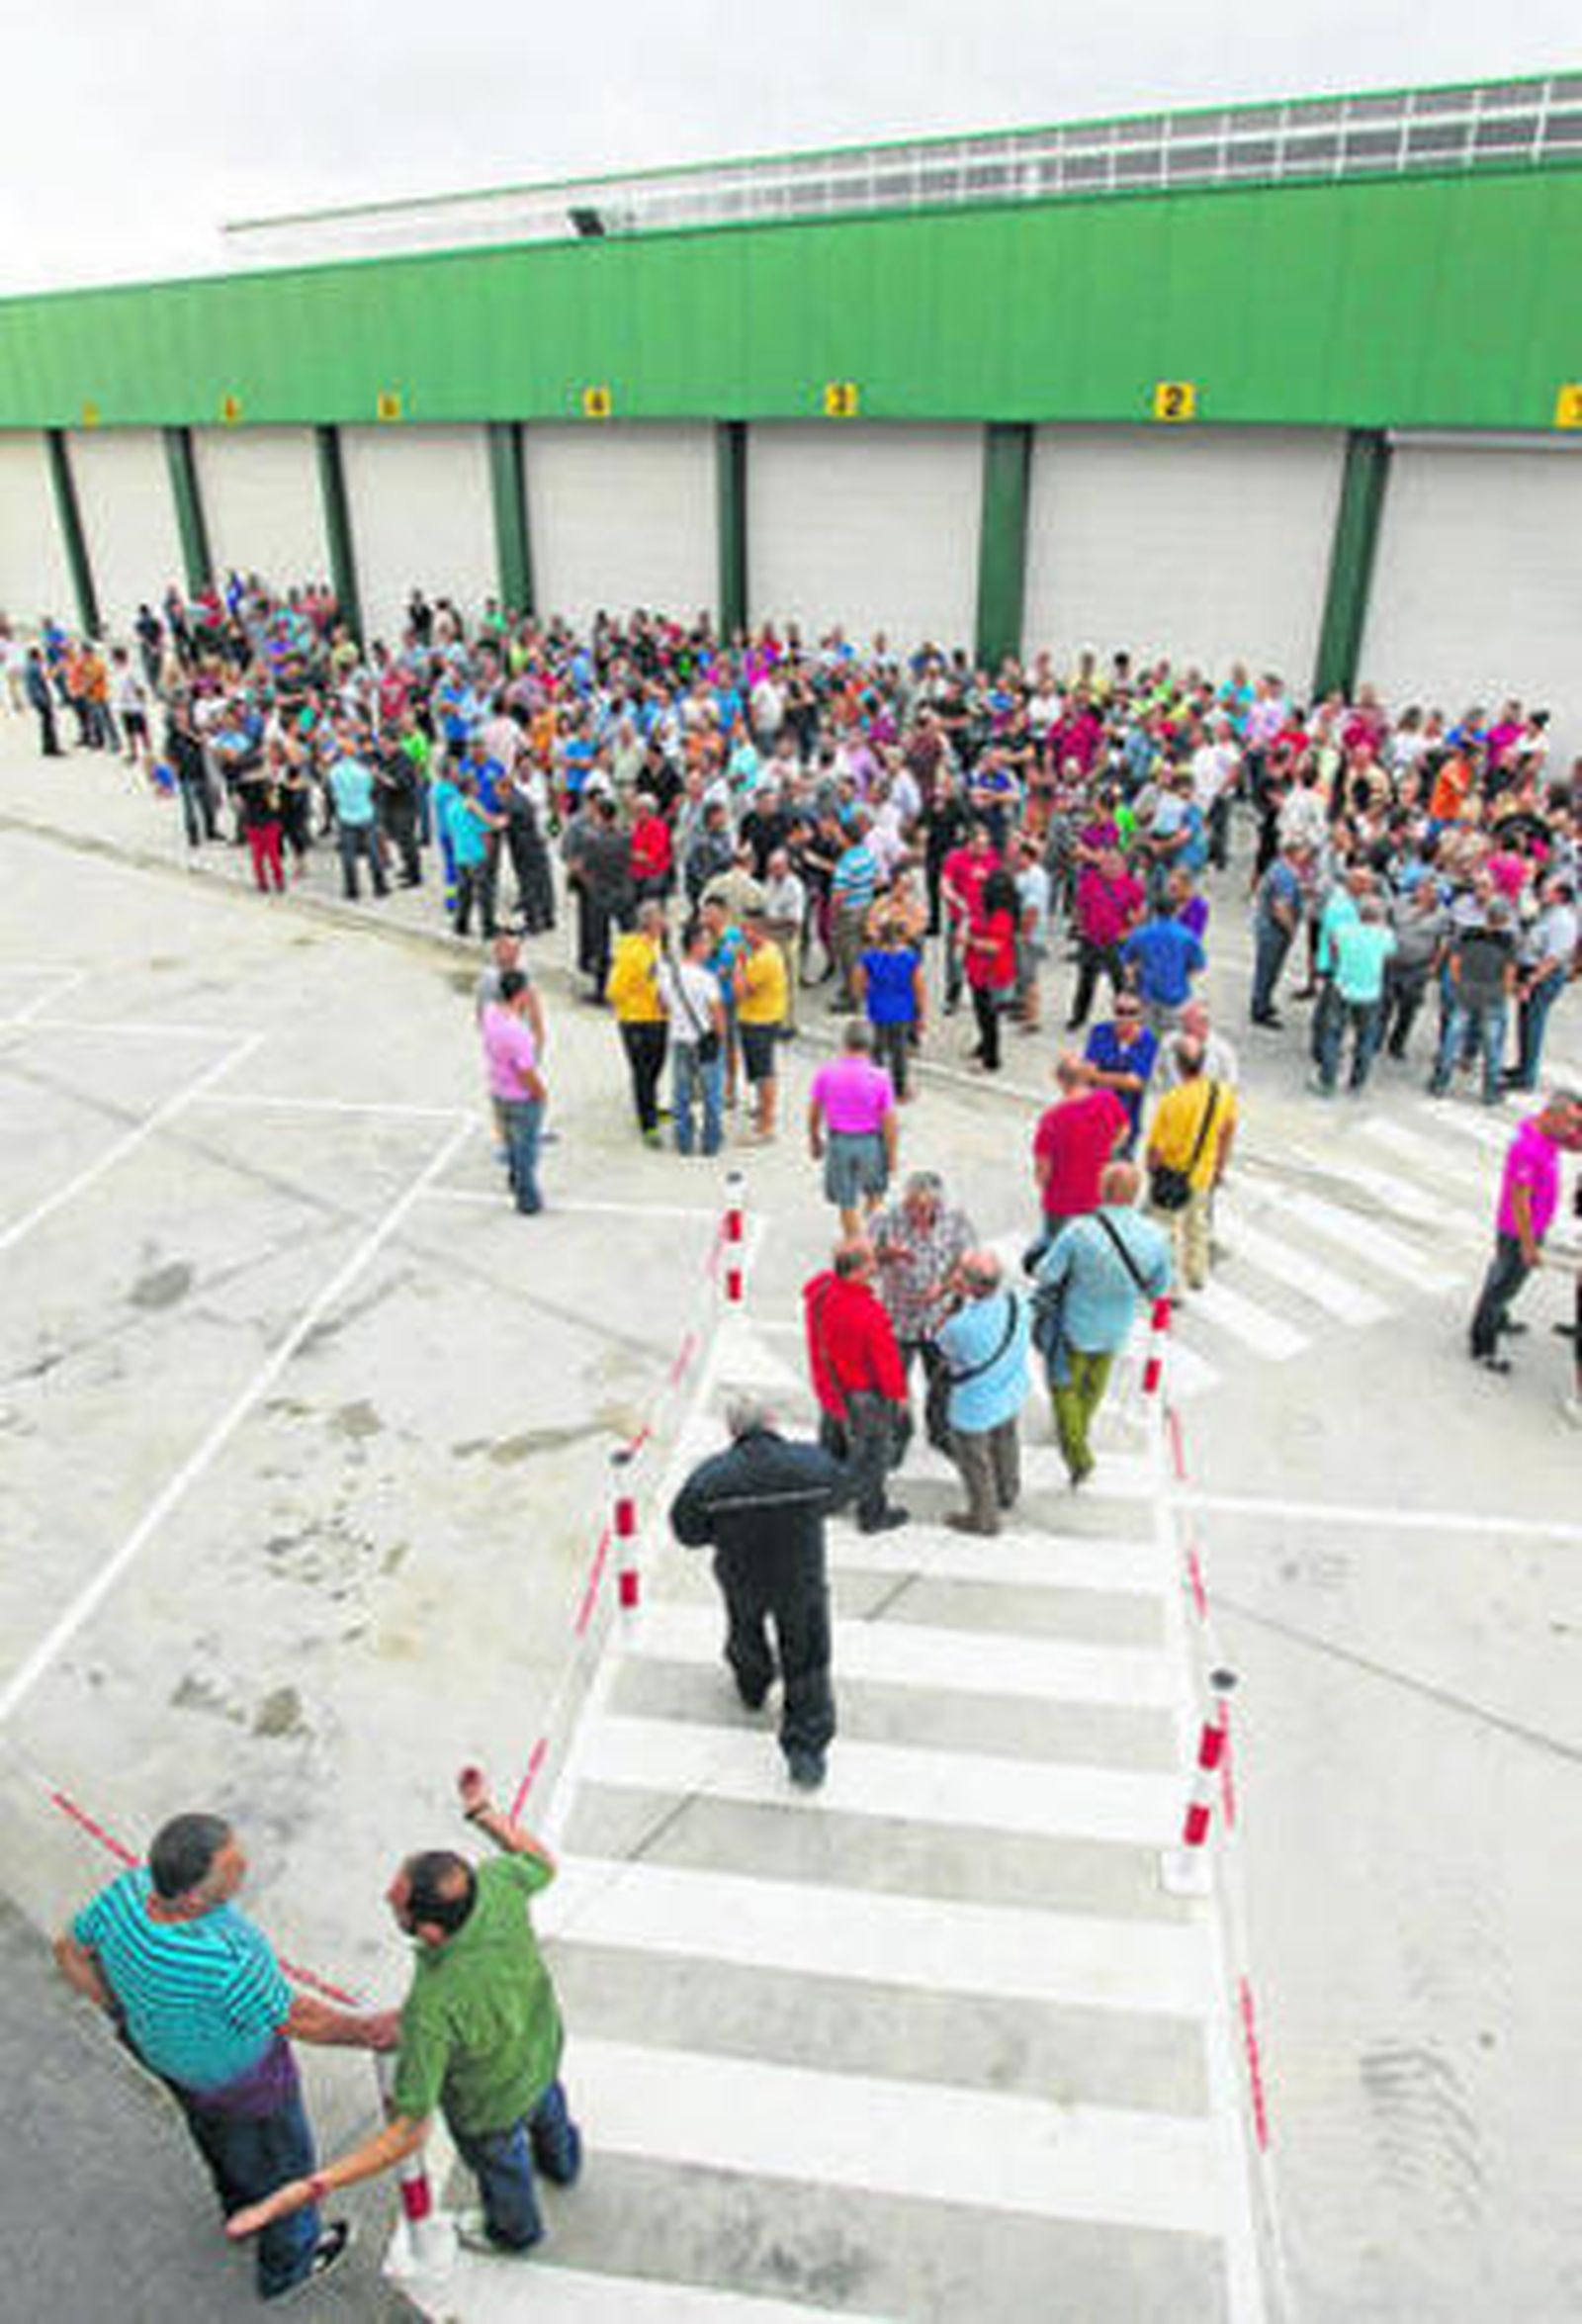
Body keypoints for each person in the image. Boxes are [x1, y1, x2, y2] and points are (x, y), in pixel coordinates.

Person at [226, 1768, 580, 2263]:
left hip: (489, 2108)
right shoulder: (499, 1884)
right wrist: (484, 1813)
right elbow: (540, 1861)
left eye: (397, 1904)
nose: (386, 1901)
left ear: (430, 1933)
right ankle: (564, 2162)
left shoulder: (431, 2010)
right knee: (550, 2113)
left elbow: (407, 2131)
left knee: (504, 2169)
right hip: (542, 2051)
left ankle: (514, 2230)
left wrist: (315, 2184)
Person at [54, 1810, 394, 2303]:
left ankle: (238, 2206)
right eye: (234, 1867)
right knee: (288, 2169)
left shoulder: (129, 1891)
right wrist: (370, 2032)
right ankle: (289, 2263)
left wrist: (122, 2013)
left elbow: (69, 1950)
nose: (245, 1868)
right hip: (245, 2083)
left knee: (219, 2143)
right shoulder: (226, 1954)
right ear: (193, 1897)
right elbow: (298, 2019)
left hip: (169, 2060)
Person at [669, 1393, 854, 1789]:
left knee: (744, 1631)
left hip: (742, 1577)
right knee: (806, 1660)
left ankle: (753, 1686)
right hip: (800, 1579)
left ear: (732, 1431)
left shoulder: (711, 1478)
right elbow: (841, 1494)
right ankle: (805, 1753)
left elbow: (687, 1531)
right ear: (773, 1423)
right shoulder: (811, 1464)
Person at [1035, 1162, 1174, 1484]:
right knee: (1094, 1386)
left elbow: (1047, 1274)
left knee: (1063, 1386)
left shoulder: (1080, 1230)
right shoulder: (1155, 1237)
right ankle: (1078, 1430)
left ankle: (1078, 1452)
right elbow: (1157, 1289)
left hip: (1075, 1324)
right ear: (1136, 1193)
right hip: (1116, 1327)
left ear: (1103, 1189)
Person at [1468, 1089, 1582, 1373]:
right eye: (1569, 1122)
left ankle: (1500, 1317)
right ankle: (1483, 1344)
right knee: (1502, 1284)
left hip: (1533, 1227)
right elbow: (1519, 1199)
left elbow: (1573, 1143)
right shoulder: (1528, 1148)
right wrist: (1529, 1244)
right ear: (1552, 1114)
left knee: (1510, 1281)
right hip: (1518, 1231)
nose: (1572, 1131)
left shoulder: (1547, 1133)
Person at [803, 1236, 911, 1534]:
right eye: (872, 1263)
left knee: (832, 1445)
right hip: (863, 1396)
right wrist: (899, 1396)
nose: (876, 1267)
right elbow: (887, 1365)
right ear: (859, 1270)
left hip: (829, 1386)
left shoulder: (821, 1290)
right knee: (872, 1456)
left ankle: (826, 1498)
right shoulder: (869, 1314)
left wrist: (881, 1255)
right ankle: (872, 1513)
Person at [871, 1171, 976, 1448]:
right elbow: (865, 1258)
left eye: (923, 1208)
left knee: (942, 1383)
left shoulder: (956, 1220)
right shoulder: (886, 1217)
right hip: (897, 1318)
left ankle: (940, 1432)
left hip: (939, 1320)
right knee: (893, 1386)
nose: (916, 1213)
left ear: (936, 1205)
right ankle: (898, 1435)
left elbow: (966, 1262)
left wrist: (942, 1288)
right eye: (911, 1206)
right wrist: (887, 1254)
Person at [936, 1249, 1031, 1535]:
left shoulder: (961, 1326)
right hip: (1011, 1389)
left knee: (975, 1461)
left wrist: (952, 1299)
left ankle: (984, 1517)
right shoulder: (1018, 1303)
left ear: (969, 1285)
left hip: (975, 1405)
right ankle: (1008, 1490)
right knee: (1006, 1440)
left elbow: (942, 1341)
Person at [1146, 1040, 1237, 1294]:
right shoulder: (1222, 1094)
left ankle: (1173, 1287)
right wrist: (1220, 1166)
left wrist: (1152, 1170)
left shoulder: (1172, 1101)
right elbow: (1227, 1132)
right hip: (1204, 1172)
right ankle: (1197, 1272)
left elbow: (1156, 1149)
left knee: (1169, 1231)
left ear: (1177, 1066)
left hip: (1173, 1173)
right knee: (1197, 1225)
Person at [1030, 1053, 1129, 1259]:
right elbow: (1124, 1129)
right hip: (1097, 1197)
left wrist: (1045, 1184)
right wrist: (1108, 1151)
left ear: (1060, 1081)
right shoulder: (1107, 1100)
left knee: (1056, 1251)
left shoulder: (1052, 1119)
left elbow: (1043, 1172)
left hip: (1061, 1202)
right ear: (1084, 1077)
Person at [808, 1021, 899, 1237]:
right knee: (875, 1191)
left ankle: (854, 1242)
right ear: (870, 1046)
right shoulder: (881, 1077)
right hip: (871, 1142)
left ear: (844, 1042)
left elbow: (814, 1111)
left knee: (846, 1200)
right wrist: (892, 1155)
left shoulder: (826, 1074)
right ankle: (873, 1236)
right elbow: (889, 1121)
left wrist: (814, 1139)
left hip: (839, 1142)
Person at [1429, 896, 1518, 1107]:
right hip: (1492, 996)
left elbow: (1454, 963)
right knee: (1492, 1044)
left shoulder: (1468, 934)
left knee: (1452, 1037)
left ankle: (1440, 1082)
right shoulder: (1509, 942)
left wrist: (1460, 983)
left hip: (1466, 991)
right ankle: (1489, 1091)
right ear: (1504, 919)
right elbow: (1509, 973)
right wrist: (1504, 993)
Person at [658, 916, 727, 1158]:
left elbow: (663, 1007)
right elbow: (717, 1014)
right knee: (712, 1093)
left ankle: (684, 1141)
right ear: (696, 944)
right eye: (706, 943)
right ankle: (711, 1141)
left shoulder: (669, 975)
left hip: (679, 1039)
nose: (710, 948)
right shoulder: (706, 979)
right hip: (705, 1040)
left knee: (681, 1092)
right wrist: (722, 1039)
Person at [1314, 893, 1396, 1097]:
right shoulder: (1385, 935)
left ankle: (1328, 1080)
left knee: (1333, 1034)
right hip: (1370, 991)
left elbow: (1334, 952)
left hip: (1342, 986)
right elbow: (1389, 956)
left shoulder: (1342, 931)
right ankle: (1357, 1083)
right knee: (1365, 1038)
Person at [482, 970, 548, 1214]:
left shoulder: (491, 1014)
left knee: (510, 1141)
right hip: (520, 1096)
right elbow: (527, 1070)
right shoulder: (518, 1033)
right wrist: (540, 1093)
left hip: (498, 1089)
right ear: (521, 994)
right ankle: (527, 1199)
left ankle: (513, 1178)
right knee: (526, 1149)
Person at [606, 902, 670, 1147]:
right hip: (638, 1021)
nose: (664, 923)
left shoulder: (654, 946)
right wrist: (642, 997)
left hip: (658, 1017)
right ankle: (648, 1124)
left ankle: (650, 1105)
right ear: (651, 923)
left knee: (656, 1066)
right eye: (660, 919)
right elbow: (614, 990)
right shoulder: (631, 952)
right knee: (643, 1071)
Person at [1509, 876, 1578, 1093]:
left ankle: (1527, 1075)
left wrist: (1532, 981)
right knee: (1524, 1021)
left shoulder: (1563, 921)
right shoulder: (1546, 914)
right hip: (1530, 970)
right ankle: (1521, 1066)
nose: (1541, 892)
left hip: (1543, 976)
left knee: (1533, 1023)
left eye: (1547, 890)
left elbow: (1553, 958)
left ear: (1560, 895)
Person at [854, 915, 925, 1101]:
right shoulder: (910, 958)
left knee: (876, 1051)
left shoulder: (869, 957)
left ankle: (874, 1089)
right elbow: (919, 988)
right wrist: (921, 1015)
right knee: (899, 1052)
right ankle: (899, 1090)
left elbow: (858, 982)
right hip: (902, 1011)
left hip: (877, 1009)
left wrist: (863, 999)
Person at [1083, 995, 1158, 1156]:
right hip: (1097, 1117)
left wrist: (1100, 1077)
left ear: (1141, 1014)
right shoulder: (1100, 1032)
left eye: (1131, 1012)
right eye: (1120, 1011)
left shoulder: (1148, 1040)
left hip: (1127, 1120)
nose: (1125, 1017)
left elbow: (1136, 1082)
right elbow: (1087, 1073)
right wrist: (1121, 1079)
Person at [736, 915, 788, 1141]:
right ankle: (762, 1108)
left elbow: (741, 991)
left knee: (764, 1071)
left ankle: (766, 1124)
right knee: (759, 1070)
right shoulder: (768, 950)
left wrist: (737, 965)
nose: (743, 936)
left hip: (760, 1019)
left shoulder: (763, 959)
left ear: (760, 932)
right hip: (760, 1016)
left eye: (748, 931)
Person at [1121, 899, 1205, 1037]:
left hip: (1148, 994)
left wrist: (1133, 982)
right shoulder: (1187, 935)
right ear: (1176, 911)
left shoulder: (1141, 933)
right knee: (1173, 1038)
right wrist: (1185, 979)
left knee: (1148, 1037)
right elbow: (1198, 965)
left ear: (1154, 911)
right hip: (1177, 996)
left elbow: (1127, 963)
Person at [964, 865, 1019, 1072]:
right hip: (981, 970)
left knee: (988, 1016)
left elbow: (994, 946)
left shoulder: (1001, 915)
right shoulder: (996, 910)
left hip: (990, 972)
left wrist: (968, 941)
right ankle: (983, 1046)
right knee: (984, 1014)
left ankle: (991, 1059)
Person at [1250, 841, 1307, 1028]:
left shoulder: (1280, 868)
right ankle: (1260, 1008)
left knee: (1268, 969)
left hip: (1268, 927)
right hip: (1274, 930)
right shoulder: (1284, 875)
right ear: (1294, 853)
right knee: (1268, 970)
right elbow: (1280, 908)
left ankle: (1263, 1001)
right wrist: (1291, 929)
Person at [327, 737, 389, 902]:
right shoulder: (363, 772)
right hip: (365, 813)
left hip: (345, 814)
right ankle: (379, 886)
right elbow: (370, 789)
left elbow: (332, 792)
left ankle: (352, 889)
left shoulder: (334, 773)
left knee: (348, 855)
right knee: (373, 852)